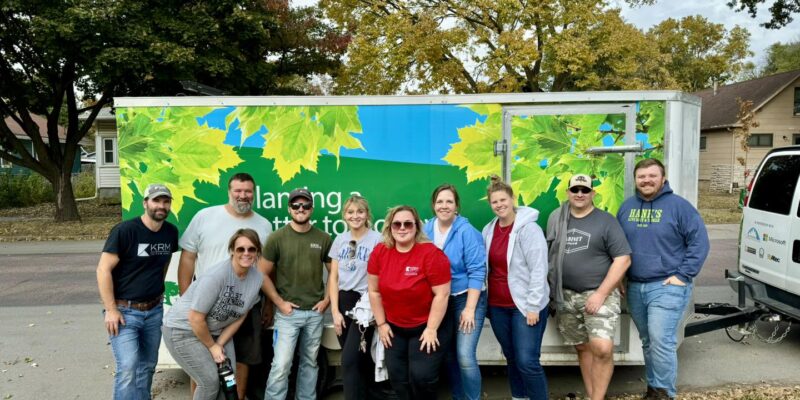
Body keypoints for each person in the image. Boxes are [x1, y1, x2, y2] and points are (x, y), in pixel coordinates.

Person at [616, 159, 709, 400]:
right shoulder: (626, 208)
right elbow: (618, 247)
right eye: (641, 176)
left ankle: (666, 394)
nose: (646, 180)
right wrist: (620, 277)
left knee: (661, 340)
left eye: (652, 175)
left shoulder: (680, 207)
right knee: (648, 341)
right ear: (635, 180)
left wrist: (682, 275)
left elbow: (699, 243)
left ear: (663, 178)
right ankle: (654, 390)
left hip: (667, 286)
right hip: (636, 286)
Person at [178, 172, 272, 400]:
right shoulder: (205, 217)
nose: (243, 196)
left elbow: (266, 269)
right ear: (229, 192)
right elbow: (188, 258)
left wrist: (269, 303)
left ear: (254, 193)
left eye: (248, 191)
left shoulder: (263, 225)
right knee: (203, 364)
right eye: (238, 191)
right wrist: (185, 297)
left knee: (242, 359)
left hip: (246, 307)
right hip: (208, 307)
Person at [546, 174, 632, 400]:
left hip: (598, 293)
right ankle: (594, 395)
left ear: (593, 193)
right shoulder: (557, 218)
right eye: (575, 190)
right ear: (568, 193)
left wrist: (601, 293)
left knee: (602, 349)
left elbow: (623, 258)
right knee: (583, 347)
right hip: (565, 295)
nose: (580, 194)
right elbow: (548, 254)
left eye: (585, 190)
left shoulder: (606, 221)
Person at [96, 183, 179, 400]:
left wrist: (157, 291)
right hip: (124, 312)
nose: (161, 205)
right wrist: (111, 310)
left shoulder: (170, 232)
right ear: (145, 203)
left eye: (165, 201)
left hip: (154, 310)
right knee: (128, 367)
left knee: (148, 366)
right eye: (156, 200)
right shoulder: (125, 231)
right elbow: (103, 269)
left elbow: (164, 264)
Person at [163, 229, 265, 400]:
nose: (246, 253)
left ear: (257, 252)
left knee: (228, 380)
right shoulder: (217, 277)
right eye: (241, 249)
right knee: (209, 382)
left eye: (251, 249)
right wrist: (213, 347)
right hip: (183, 331)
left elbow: (240, 315)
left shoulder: (256, 279)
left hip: (217, 332)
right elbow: (195, 319)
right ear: (232, 250)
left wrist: (220, 343)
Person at [367, 205, 452, 400]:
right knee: (397, 378)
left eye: (408, 224)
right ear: (390, 227)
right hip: (394, 326)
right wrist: (381, 324)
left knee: (421, 377)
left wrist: (431, 329)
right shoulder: (380, 252)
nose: (402, 228)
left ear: (416, 227)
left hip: (426, 325)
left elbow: (442, 294)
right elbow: (374, 291)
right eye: (397, 224)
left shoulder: (431, 254)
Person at [481, 175, 549, 400]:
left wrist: (533, 306)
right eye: (494, 202)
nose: (499, 205)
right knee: (511, 358)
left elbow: (539, 270)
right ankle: (519, 397)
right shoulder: (488, 230)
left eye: (503, 200)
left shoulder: (529, 230)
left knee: (527, 360)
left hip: (525, 306)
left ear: (513, 199)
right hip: (498, 307)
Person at [263, 188, 333, 400]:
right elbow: (262, 275)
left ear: (312, 208)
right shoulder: (276, 238)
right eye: (296, 205)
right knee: (281, 364)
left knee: (310, 363)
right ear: (289, 209)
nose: (300, 209)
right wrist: (279, 302)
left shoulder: (324, 238)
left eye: (305, 205)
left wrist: (326, 301)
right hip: (288, 315)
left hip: (315, 313)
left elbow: (334, 275)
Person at [422, 184, 486, 400]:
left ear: (456, 205)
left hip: (466, 298)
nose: (444, 206)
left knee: (465, 356)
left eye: (449, 201)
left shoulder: (467, 232)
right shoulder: (427, 230)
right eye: (440, 202)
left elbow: (478, 271)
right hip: (441, 300)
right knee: (448, 356)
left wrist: (469, 309)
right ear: (433, 205)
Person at [327, 195, 383, 400]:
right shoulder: (340, 240)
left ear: (367, 214)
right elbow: (333, 277)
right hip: (343, 302)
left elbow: (381, 275)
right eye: (351, 212)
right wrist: (334, 312)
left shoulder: (377, 239)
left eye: (360, 211)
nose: (355, 216)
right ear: (344, 215)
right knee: (359, 358)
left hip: (365, 304)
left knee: (349, 359)